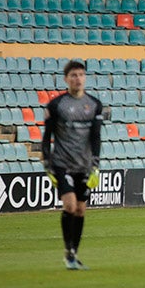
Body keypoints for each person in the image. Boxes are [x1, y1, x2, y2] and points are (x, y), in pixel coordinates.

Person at [41, 60, 104, 270]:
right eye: (74, 75)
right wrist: (47, 164)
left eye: (81, 75)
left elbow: (96, 137)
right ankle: (68, 252)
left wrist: (95, 165)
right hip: (62, 163)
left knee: (81, 211)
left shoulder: (94, 105)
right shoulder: (56, 105)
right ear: (66, 79)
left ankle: (74, 253)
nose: (78, 79)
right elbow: (47, 136)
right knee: (70, 205)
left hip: (84, 165)